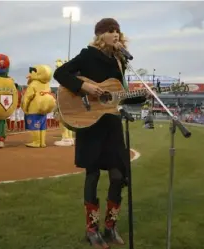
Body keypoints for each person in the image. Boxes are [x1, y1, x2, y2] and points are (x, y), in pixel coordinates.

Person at [54, 18, 147, 249]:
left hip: (112, 123)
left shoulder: (120, 60)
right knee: (93, 175)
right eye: (110, 31)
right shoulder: (87, 55)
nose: (115, 34)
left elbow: (117, 95)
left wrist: (144, 95)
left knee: (118, 175)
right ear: (100, 35)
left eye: (117, 30)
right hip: (90, 122)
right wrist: (84, 87)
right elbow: (60, 73)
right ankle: (91, 230)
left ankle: (110, 226)